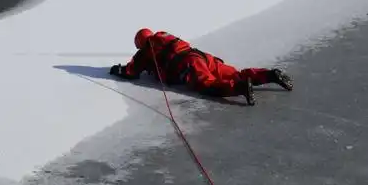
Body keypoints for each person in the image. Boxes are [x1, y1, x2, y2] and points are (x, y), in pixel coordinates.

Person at [109, 28, 293, 106]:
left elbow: (130, 71)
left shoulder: (145, 52)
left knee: (208, 85)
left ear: (140, 44)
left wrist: (117, 70)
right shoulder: (164, 37)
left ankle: (240, 88)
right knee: (235, 73)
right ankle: (269, 74)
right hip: (202, 56)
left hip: (188, 65)